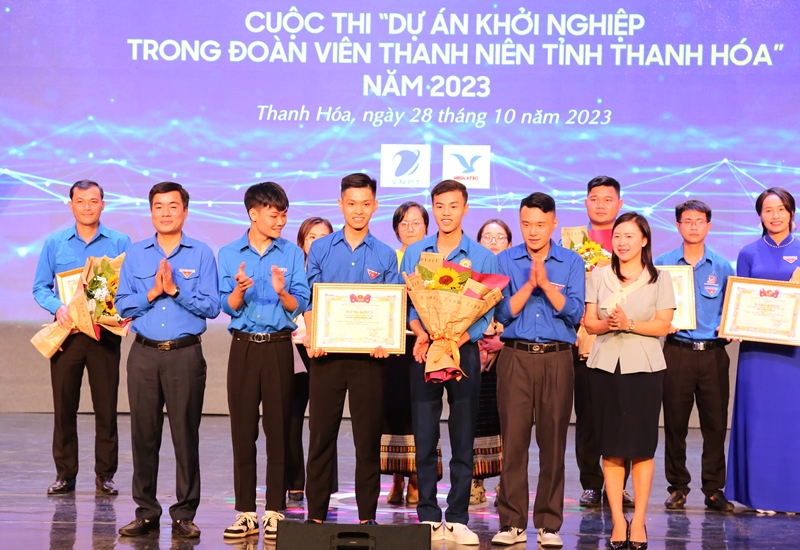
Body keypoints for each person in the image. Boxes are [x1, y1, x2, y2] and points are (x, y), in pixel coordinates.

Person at [115, 182, 220, 539]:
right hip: (143, 354)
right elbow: (122, 305)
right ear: (150, 212)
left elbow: (212, 306)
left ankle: (184, 513)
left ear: (185, 211)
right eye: (158, 206)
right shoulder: (136, 253)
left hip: (184, 355)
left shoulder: (201, 253)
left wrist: (175, 290)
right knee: (143, 435)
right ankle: (146, 512)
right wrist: (153, 292)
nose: (165, 212)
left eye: (173, 206)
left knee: (185, 436)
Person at [400, 180, 499, 546]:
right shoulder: (415, 252)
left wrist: (459, 337)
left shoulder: (482, 256)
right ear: (433, 207)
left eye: (453, 206)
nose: (446, 212)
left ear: (465, 208)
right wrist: (421, 333)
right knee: (425, 434)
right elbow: (409, 304)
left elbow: (486, 310)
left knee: (462, 433)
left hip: (463, 350)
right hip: (425, 350)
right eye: (439, 205)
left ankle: (457, 517)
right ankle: (427, 513)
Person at [491, 193, 585, 548]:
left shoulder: (571, 261)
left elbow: (574, 312)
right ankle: (512, 521)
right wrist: (530, 285)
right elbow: (501, 313)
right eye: (526, 224)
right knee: (513, 441)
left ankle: (548, 523)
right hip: (515, 356)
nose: (533, 231)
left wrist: (545, 284)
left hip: (557, 358)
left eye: (541, 224)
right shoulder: (505, 260)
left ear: (554, 223)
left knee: (553, 442)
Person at [303, 173, 398, 525]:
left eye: (365, 203)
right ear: (340, 204)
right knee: (320, 438)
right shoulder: (321, 248)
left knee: (367, 441)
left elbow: (392, 308)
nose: (358, 210)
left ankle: (366, 518)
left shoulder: (385, 254)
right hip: (326, 358)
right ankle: (315, 517)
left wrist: (387, 341)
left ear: (375, 205)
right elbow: (310, 299)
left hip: (369, 362)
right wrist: (314, 336)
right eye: (352, 203)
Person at [218, 182, 311, 540]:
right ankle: (245, 511)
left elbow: (300, 303)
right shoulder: (229, 253)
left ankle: (274, 510)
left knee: (279, 429)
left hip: (278, 347)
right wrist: (239, 291)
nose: (281, 221)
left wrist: (282, 292)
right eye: (274, 215)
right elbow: (226, 306)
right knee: (243, 431)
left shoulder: (291, 253)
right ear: (253, 214)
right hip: (243, 346)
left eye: (284, 215)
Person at [32, 180, 131, 496]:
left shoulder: (119, 241)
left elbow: (128, 285)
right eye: (80, 200)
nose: (87, 206)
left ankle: (105, 475)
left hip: (104, 335)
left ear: (103, 204)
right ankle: (65, 475)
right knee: (64, 407)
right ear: (71, 204)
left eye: (93, 200)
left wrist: (124, 310)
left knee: (107, 408)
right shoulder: (55, 243)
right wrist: (57, 307)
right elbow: (40, 287)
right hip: (67, 335)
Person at [583, 212, 675, 550]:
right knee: (611, 447)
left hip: (644, 370)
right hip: (604, 368)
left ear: (644, 240)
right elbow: (590, 322)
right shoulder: (599, 275)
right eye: (618, 236)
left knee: (641, 447)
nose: (622, 242)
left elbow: (663, 324)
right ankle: (618, 520)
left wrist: (629, 324)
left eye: (630, 236)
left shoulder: (660, 279)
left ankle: (638, 521)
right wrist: (608, 324)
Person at [654, 200, 736, 512]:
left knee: (715, 424)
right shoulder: (663, 265)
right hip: (677, 352)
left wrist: (732, 325)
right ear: (677, 225)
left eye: (699, 221)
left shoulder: (722, 266)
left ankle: (713, 489)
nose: (693, 226)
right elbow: (651, 305)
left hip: (713, 354)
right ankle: (677, 487)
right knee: (675, 423)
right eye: (687, 221)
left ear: (708, 226)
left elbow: (732, 307)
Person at [727, 187, 800, 514]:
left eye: (781, 209)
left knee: (793, 421)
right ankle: (761, 497)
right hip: (757, 353)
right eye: (768, 210)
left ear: (791, 213)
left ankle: (793, 496)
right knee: (759, 421)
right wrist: (735, 324)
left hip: (794, 352)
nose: (775, 215)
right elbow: (740, 298)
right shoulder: (748, 252)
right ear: (760, 215)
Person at [572, 176, 634, 509]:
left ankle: (617, 485)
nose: (600, 205)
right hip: (583, 342)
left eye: (608, 199)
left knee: (621, 416)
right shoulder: (571, 244)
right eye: (594, 198)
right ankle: (591, 484)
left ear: (619, 204)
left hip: (623, 343)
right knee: (588, 419)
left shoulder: (629, 243)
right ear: (586, 202)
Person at [382, 202, 429, 505]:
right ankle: (397, 476)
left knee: (421, 411)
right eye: (404, 223)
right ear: (396, 228)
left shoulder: (434, 261)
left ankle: (417, 477)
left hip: (425, 343)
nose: (410, 229)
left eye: (416, 223)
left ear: (426, 227)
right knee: (394, 410)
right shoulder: (390, 259)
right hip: (393, 344)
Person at [287, 217, 335, 503]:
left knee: (323, 422)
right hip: (294, 350)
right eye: (311, 237)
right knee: (292, 418)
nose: (317, 243)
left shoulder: (336, 272)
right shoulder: (291, 272)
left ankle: (324, 482)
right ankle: (294, 481)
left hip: (325, 352)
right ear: (301, 242)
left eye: (324, 237)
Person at [470, 218, 512, 506]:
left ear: (509, 243)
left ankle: (506, 483)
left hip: (509, 355)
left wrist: (502, 340)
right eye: (487, 237)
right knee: (476, 417)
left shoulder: (517, 272)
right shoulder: (470, 273)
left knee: (509, 419)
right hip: (474, 351)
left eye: (500, 237)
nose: (493, 242)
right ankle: (476, 481)